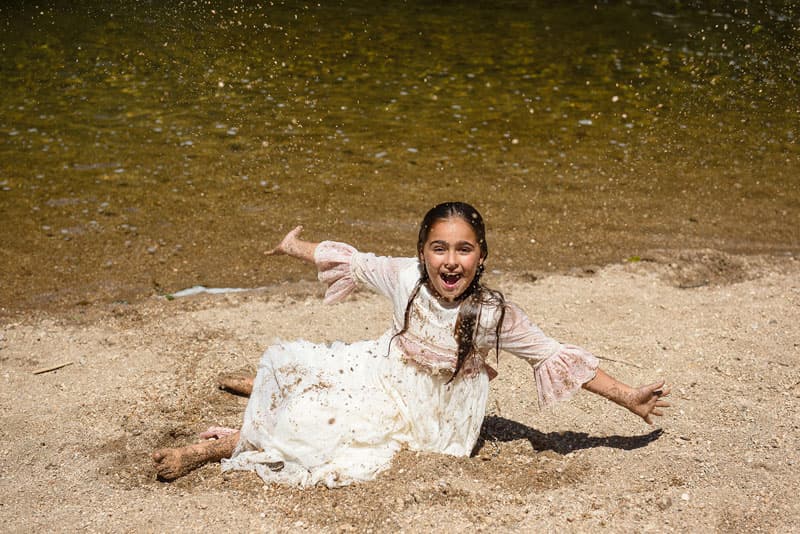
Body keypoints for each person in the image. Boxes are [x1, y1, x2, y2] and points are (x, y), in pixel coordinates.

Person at [152, 201, 670, 486]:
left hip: (437, 419)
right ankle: (269, 388)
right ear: (422, 253)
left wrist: (629, 398)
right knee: (316, 375)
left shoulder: (494, 314)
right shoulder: (403, 277)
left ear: (481, 256)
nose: (450, 261)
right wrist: (293, 247)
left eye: (463, 250)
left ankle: (209, 450)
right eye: (438, 248)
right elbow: (348, 261)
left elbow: (555, 356)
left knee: (326, 433)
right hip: (385, 371)